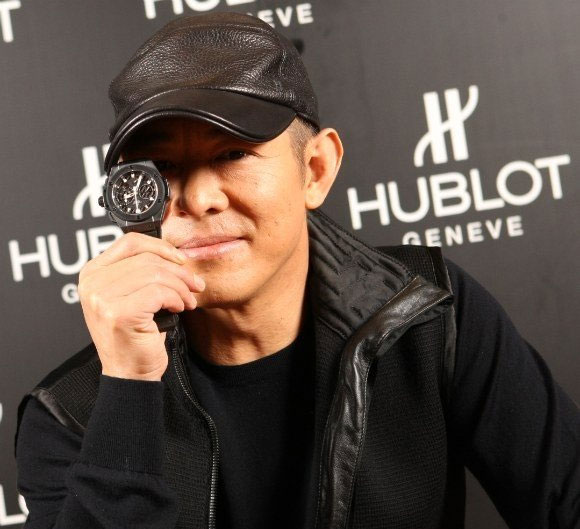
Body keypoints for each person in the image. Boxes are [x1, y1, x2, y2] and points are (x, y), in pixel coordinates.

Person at [14, 12, 580, 529]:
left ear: (316, 169)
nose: (200, 199)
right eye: (162, 167)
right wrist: (128, 389)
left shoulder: (426, 313)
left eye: (233, 153)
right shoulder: (71, 412)